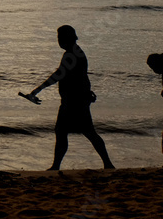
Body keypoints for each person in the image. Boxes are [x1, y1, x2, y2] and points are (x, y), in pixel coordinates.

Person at [29, 25, 115, 170]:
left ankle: (57, 166)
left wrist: (37, 90)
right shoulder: (75, 52)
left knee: (65, 131)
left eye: (59, 38)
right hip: (78, 99)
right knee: (86, 132)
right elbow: (80, 77)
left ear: (64, 38)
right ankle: (107, 164)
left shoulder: (72, 55)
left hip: (73, 101)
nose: (58, 41)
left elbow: (58, 75)